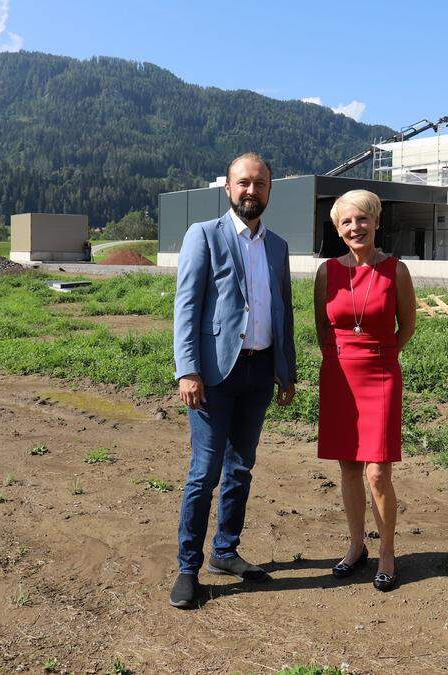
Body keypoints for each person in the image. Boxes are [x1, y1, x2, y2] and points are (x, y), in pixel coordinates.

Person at [170, 152, 298, 609]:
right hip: (213, 376)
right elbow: (187, 306)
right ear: (228, 188)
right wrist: (187, 369)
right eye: (243, 183)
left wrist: (287, 371)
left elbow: (282, 310)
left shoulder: (278, 246)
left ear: (269, 190)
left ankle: (224, 552)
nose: (251, 191)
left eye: (260, 184)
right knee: (204, 473)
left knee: (241, 467)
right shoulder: (204, 235)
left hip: (259, 372)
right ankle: (188, 567)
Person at [313, 189, 416, 592]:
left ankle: (387, 550)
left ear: (376, 222)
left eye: (362, 219)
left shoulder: (396, 270)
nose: (356, 227)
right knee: (349, 468)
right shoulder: (327, 273)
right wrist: (338, 358)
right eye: (347, 222)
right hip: (338, 376)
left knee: (377, 471)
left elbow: (406, 325)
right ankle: (356, 546)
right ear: (338, 230)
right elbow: (323, 328)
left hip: (381, 374)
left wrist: (380, 355)